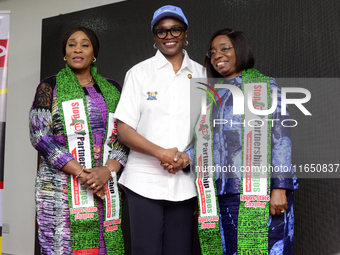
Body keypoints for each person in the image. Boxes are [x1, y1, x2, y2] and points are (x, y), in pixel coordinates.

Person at [194, 28, 298, 255]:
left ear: (240, 49)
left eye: (224, 49)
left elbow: (281, 137)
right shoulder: (211, 96)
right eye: (212, 52)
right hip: (223, 194)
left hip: (262, 192)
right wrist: (181, 157)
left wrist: (280, 186)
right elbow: (205, 143)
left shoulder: (264, 86)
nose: (217, 55)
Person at [114, 5, 206, 255]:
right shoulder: (139, 73)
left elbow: (208, 130)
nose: (169, 36)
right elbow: (124, 130)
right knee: (145, 250)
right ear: (154, 37)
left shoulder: (202, 74)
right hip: (143, 180)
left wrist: (186, 156)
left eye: (176, 29)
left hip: (185, 182)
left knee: (180, 251)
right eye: (162, 31)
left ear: (186, 34)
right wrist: (161, 154)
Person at [29, 26, 128, 254]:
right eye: (71, 44)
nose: (78, 49)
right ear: (64, 53)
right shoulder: (49, 87)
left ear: (94, 54)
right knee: (63, 248)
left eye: (85, 44)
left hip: (103, 187)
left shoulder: (113, 90)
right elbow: (40, 135)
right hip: (59, 191)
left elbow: (123, 136)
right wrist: (83, 174)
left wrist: (106, 170)